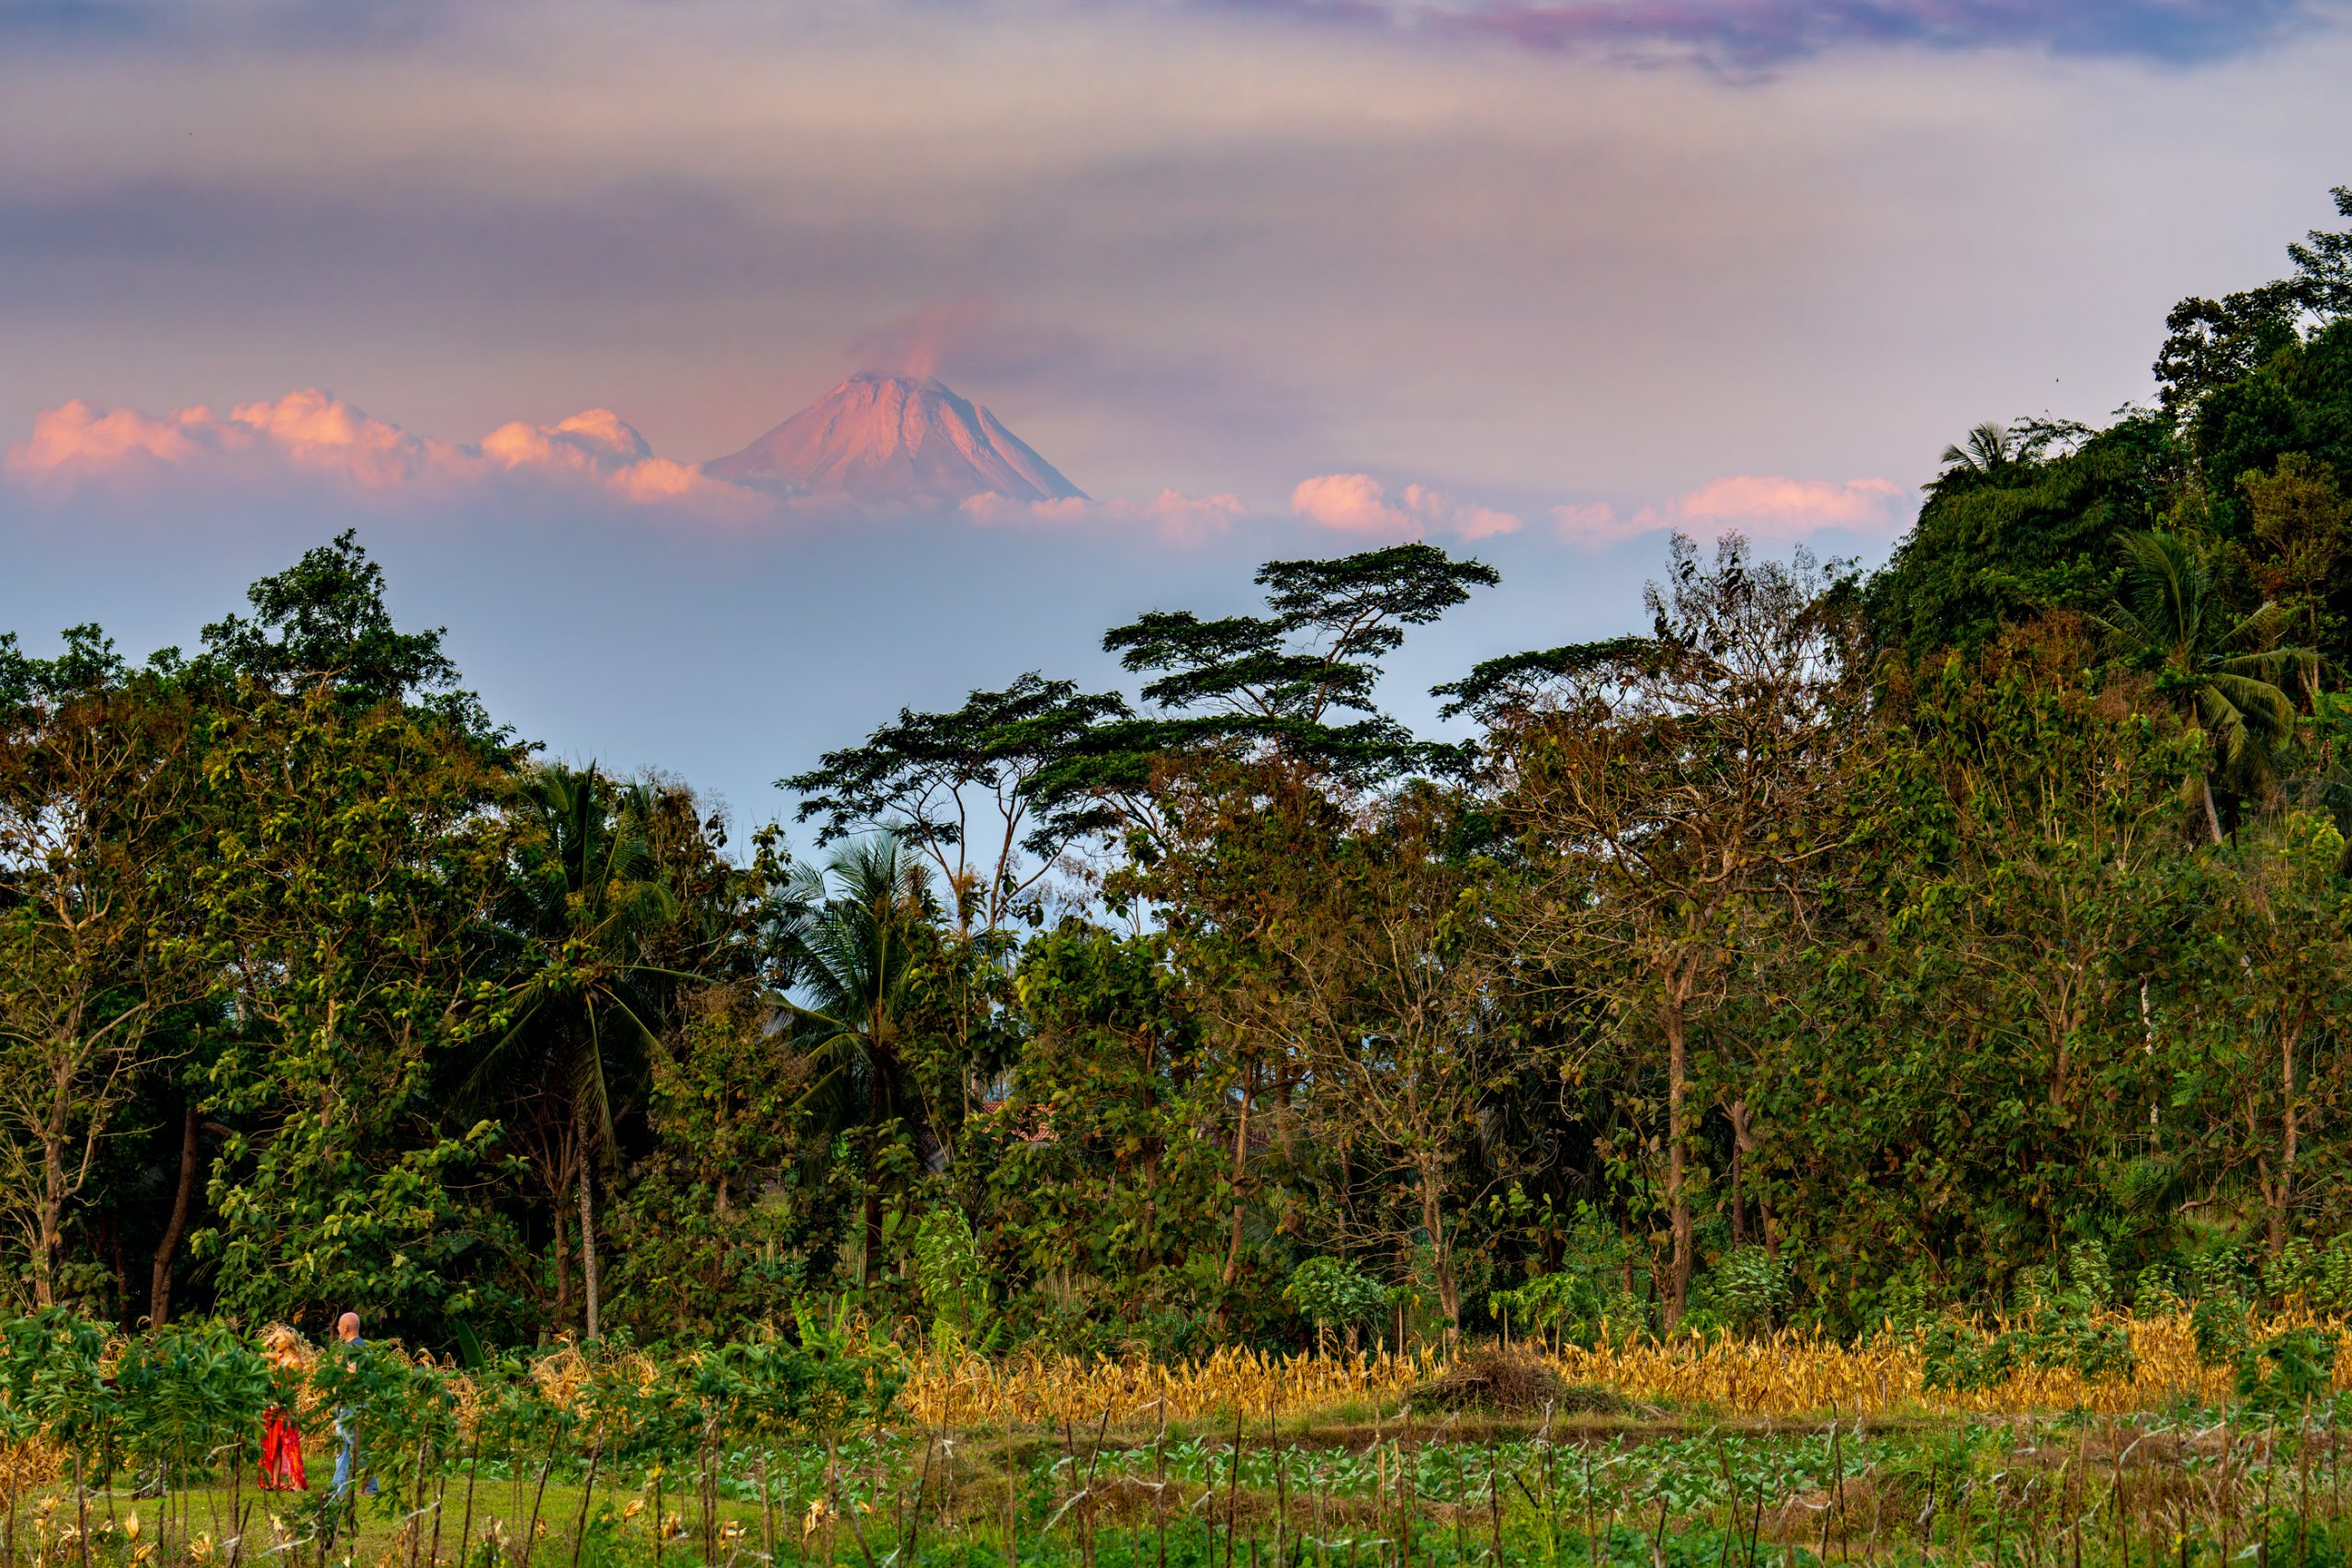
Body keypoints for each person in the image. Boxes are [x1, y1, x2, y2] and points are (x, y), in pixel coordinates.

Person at [328, 1312, 378, 1499]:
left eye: (339, 1325)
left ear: (347, 1327)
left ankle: (371, 1486)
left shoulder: (354, 1347)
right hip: (352, 1403)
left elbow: (352, 1373)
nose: (338, 1329)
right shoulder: (362, 1347)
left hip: (350, 1404)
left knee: (356, 1445)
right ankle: (338, 1487)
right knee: (342, 1446)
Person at [258, 1325, 308, 1492]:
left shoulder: (295, 1361)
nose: (275, 1343)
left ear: (287, 1341)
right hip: (273, 1406)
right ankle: (273, 1481)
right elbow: (259, 1354)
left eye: (278, 1340)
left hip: (286, 1407)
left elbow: (298, 1385)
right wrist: (272, 1337)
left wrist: (283, 1397)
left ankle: (297, 1483)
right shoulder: (278, 1358)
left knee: (290, 1444)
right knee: (273, 1445)